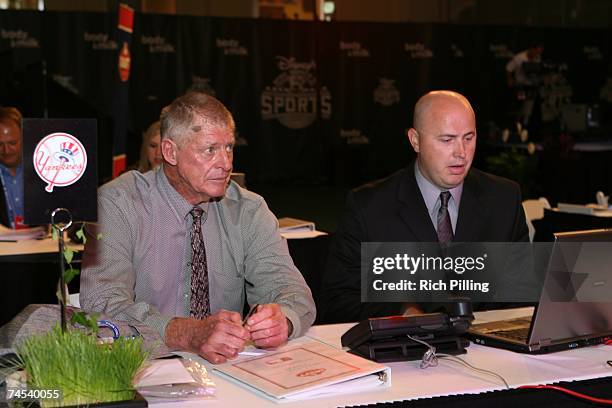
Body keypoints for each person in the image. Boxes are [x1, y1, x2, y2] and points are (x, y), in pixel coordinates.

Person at [81, 92, 315, 363]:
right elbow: (102, 304)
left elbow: (293, 292)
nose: (226, 163)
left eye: (229, 148)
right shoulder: (119, 204)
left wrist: (281, 320)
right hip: (145, 366)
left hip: (227, 368)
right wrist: (186, 333)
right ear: (170, 152)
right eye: (210, 150)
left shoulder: (248, 210)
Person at [321, 90, 529, 323]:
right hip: (406, 353)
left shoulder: (504, 199)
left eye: (468, 138)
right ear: (415, 140)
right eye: (447, 140)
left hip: (490, 352)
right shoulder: (368, 207)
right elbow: (337, 300)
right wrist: (403, 312)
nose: (461, 153)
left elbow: (522, 294)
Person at [506, 45, 544, 127]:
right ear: (532, 49)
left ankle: (525, 125)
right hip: (521, 87)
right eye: (536, 52)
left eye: (539, 53)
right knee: (520, 104)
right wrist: (510, 79)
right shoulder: (519, 57)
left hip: (532, 87)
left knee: (529, 107)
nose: (537, 54)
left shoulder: (538, 58)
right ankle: (516, 124)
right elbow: (508, 68)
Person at [0, 107, 23, 228]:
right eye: (0, 144)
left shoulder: (44, 171)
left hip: (44, 244)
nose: (6, 151)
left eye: (12, 143)